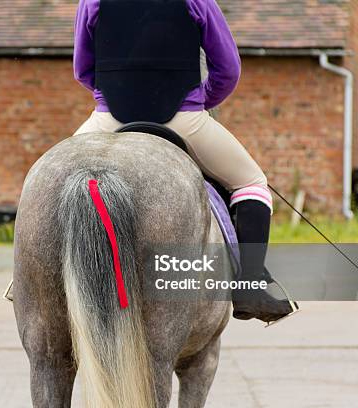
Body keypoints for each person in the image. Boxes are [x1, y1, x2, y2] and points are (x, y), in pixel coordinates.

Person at [71, 0, 295, 323]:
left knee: (51, 178)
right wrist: (200, 100)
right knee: (252, 183)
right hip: (183, 120)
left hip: (109, 122)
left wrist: (117, 94)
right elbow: (228, 69)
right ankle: (250, 285)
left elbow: (82, 70)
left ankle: (28, 281)